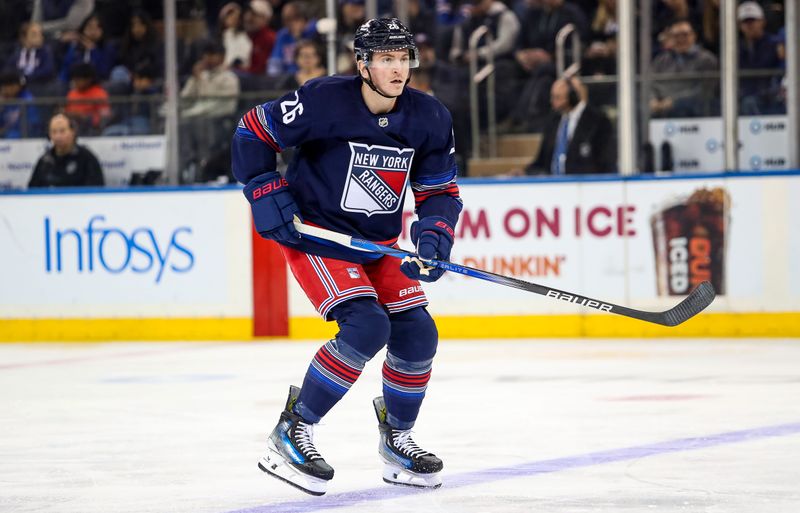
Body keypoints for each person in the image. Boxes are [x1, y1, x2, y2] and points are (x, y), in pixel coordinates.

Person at [232, 18, 462, 495]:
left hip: (376, 245)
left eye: (404, 59)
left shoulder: (430, 117)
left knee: (418, 333)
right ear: (363, 63)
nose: (398, 70)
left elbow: (440, 190)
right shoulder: (323, 100)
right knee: (366, 325)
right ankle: (291, 431)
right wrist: (262, 186)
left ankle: (397, 439)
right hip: (317, 237)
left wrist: (435, 232)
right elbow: (253, 130)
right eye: (386, 59)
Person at [522, 76, 616, 174]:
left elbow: (605, 162)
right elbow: (542, 160)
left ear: (572, 97)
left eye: (557, 97)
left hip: (583, 185)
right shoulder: (553, 121)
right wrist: (524, 172)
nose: (552, 101)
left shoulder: (598, 121)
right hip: (553, 185)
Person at [650, 19, 719, 118]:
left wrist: (675, 101)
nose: (681, 39)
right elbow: (651, 85)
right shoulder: (661, 60)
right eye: (676, 36)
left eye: (685, 35)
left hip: (695, 110)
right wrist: (653, 100)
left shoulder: (706, 59)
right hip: (663, 108)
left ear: (694, 36)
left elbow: (705, 90)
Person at [28, 113, 104, 187]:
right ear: (49, 135)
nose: (58, 136)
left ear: (73, 132)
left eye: (62, 131)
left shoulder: (86, 158)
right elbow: (32, 191)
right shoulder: (44, 161)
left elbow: (96, 190)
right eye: (54, 132)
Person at [0, 71, 40, 139]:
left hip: (24, 137)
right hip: (7, 135)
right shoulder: (4, 100)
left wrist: (5, 131)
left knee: (12, 135)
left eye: (5, 87)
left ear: (14, 86)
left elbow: (32, 125)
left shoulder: (27, 100)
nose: (3, 90)